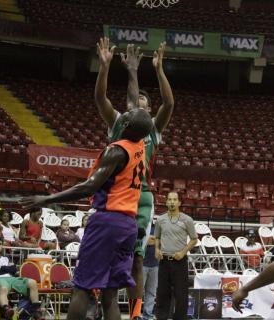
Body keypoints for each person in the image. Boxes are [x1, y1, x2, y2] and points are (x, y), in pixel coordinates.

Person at [20, 106, 154, 319]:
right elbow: (136, 113)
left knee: (81, 287)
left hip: (107, 222)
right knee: (109, 294)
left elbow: (88, 187)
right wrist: (131, 72)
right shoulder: (140, 145)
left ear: (126, 125)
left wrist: (46, 199)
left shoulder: (116, 151)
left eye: (126, 115)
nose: (123, 113)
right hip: (128, 225)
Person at [95, 37, 174, 320]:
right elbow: (100, 98)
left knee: (137, 258)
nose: (137, 100)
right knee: (108, 255)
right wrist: (105, 69)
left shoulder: (153, 128)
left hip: (141, 197)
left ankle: (137, 312)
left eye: (143, 99)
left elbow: (169, 102)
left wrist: (159, 69)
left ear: (148, 111)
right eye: (135, 98)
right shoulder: (119, 122)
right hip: (114, 195)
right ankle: (104, 306)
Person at [154, 191, 197, 320]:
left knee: (181, 294)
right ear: (166, 202)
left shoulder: (187, 220)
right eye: (169, 199)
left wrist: (183, 252)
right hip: (164, 262)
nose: (172, 202)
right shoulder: (160, 220)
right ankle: (161, 317)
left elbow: (194, 239)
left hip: (180, 262)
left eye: (174, 200)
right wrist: (156, 249)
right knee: (162, 293)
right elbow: (157, 237)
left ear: (179, 203)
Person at [0, 236, 43, 320]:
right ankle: (7, 310)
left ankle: (36, 311)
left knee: (32, 282)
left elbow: (13, 270)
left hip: (11, 279)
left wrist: (0, 268)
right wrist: (6, 268)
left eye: (0, 244)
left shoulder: (6, 258)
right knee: (3, 288)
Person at [142, 222, 158, 320]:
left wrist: (153, 239)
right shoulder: (141, 225)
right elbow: (143, 241)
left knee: (151, 292)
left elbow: (160, 241)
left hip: (155, 265)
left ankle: (147, 315)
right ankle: (135, 314)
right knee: (138, 292)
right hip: (141, 264)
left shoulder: (157, 228)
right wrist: (149, 240)